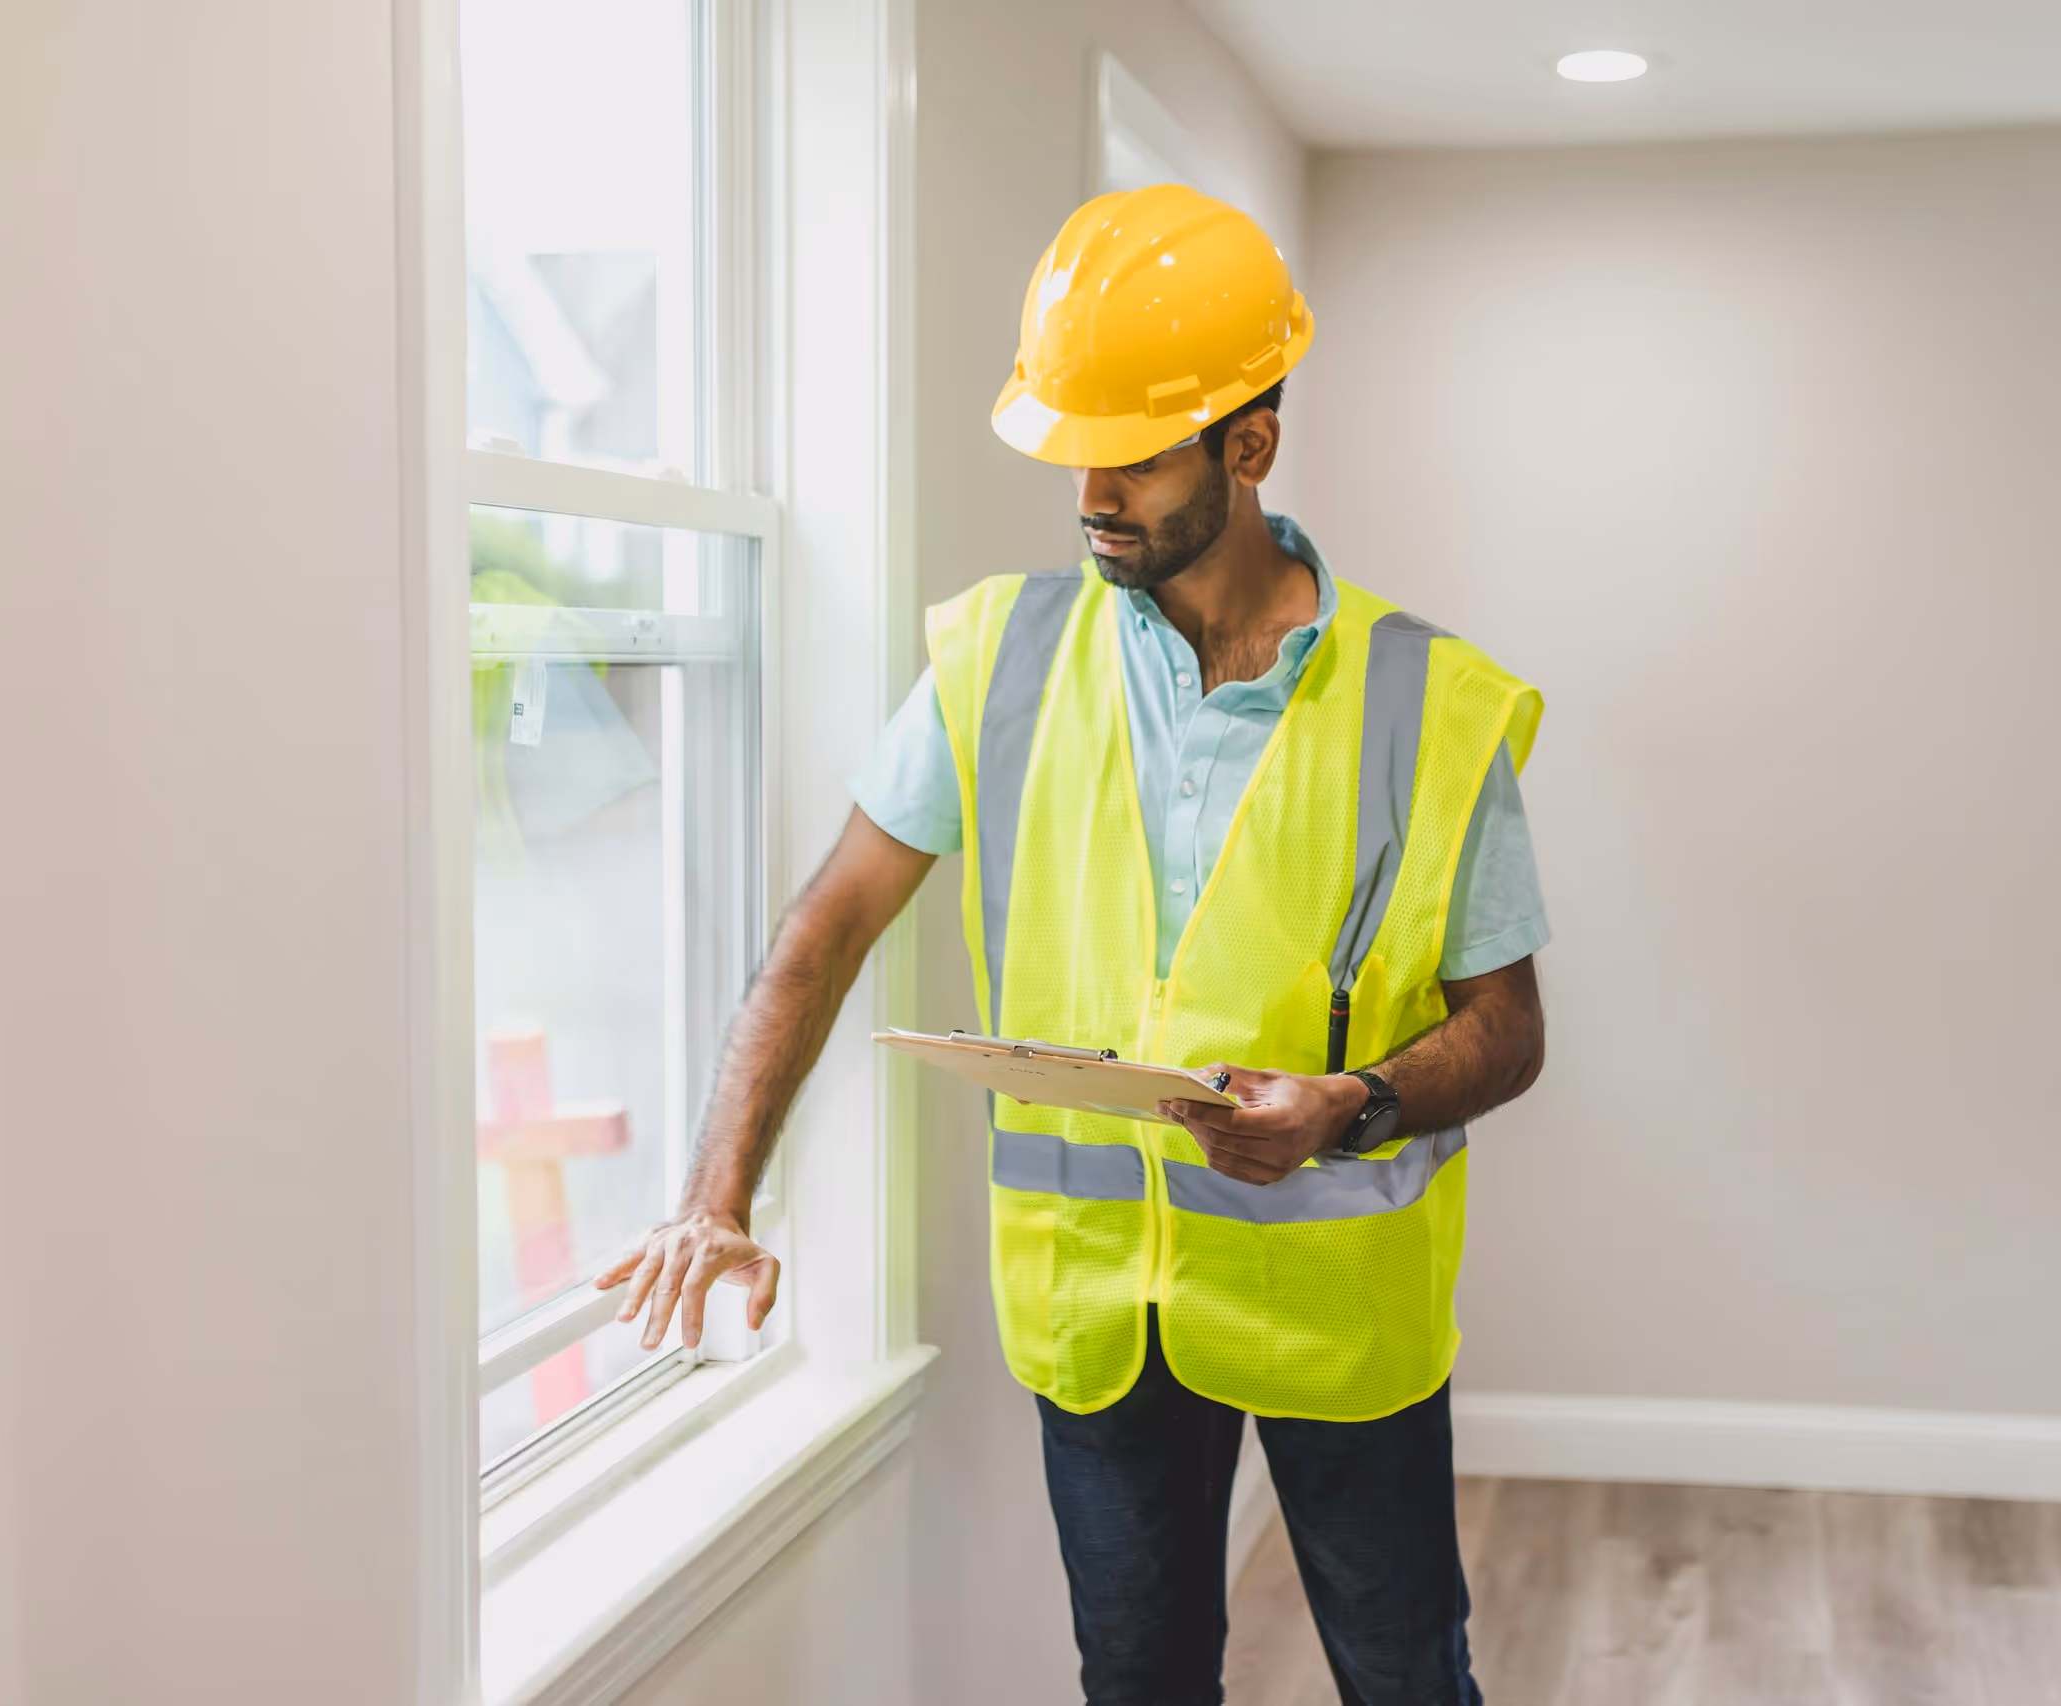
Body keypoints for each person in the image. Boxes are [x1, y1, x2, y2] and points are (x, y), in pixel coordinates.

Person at [599, 183, 1549, 1706]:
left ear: (1252, 444)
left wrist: (1349, 1105)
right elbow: (824, 928)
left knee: (1405, 1680)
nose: (1095, 490)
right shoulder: (1001, 658)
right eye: (1075, 450)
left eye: (1138, 451)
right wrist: (716, 1194)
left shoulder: (1433, 703)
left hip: (1337, 1314)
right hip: (1099, 1310)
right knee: (1138, 1683)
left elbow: (1510, 1023)